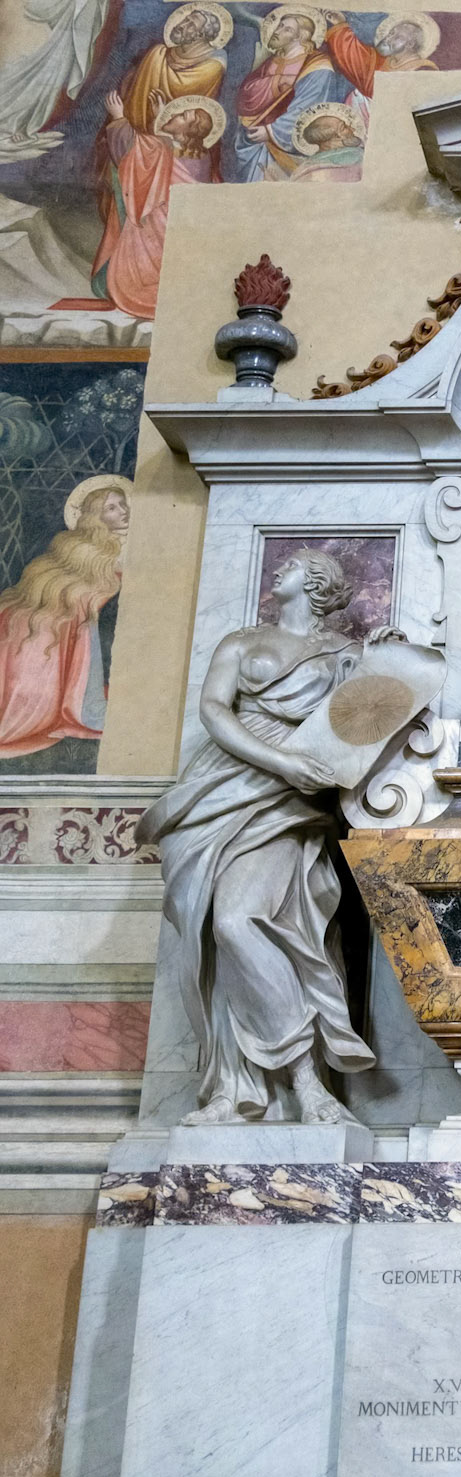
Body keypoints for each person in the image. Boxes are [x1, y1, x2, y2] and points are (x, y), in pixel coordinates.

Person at [135, 549, 393, 1125]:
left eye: (296, 563)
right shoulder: (240, 642)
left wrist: (384, 663)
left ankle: (308, 1081)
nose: (281, 567)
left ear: (320, 583)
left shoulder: (346, 656)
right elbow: (213, 711)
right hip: (219, 789)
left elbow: (363, 726)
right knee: (216, 932)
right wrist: (277, 761)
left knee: (240, 920)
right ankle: (231, 1087)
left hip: (287, 804)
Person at [0, 476, 128, 757]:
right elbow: (66, 577)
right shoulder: (75, 544)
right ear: (95, 517)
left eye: (123, 504)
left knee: (76, 616)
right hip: (60, 605)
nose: (123, 511)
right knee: (32, 620)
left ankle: (84, 699)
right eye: (112, 508)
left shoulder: (131, 544)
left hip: (80, 605)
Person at [91, 94, 223, 322]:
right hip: (177, 237)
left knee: (143, 281)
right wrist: (162, 117)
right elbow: (160, 154)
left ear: (187, 131)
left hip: (154, 239)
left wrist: (119, 117)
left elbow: (136, 152)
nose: (174, 113)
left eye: (182, 115)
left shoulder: (162, 150)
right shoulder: (201, 155)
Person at [235, 9, 349, 182]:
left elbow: (308, 109)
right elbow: (246, 96)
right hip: (253, 138)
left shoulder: (318, 66)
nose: (277, 31)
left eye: (286, 29)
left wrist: (270, 131)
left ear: (301, 36)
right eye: (279, 26)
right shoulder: (271, 61)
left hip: (282, 145)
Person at [322, 10, 439, 96]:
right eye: (391, 33)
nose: (388, 38)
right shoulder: (385, 61)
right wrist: (339, 23)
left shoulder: (422, 69)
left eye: (397, 36)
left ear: (410, 44)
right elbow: (356, 58)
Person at [289, 104, 365, 183]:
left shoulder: (302, 170)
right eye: (344, 127)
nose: (352, 129)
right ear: (333, 138)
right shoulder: (359, 157)